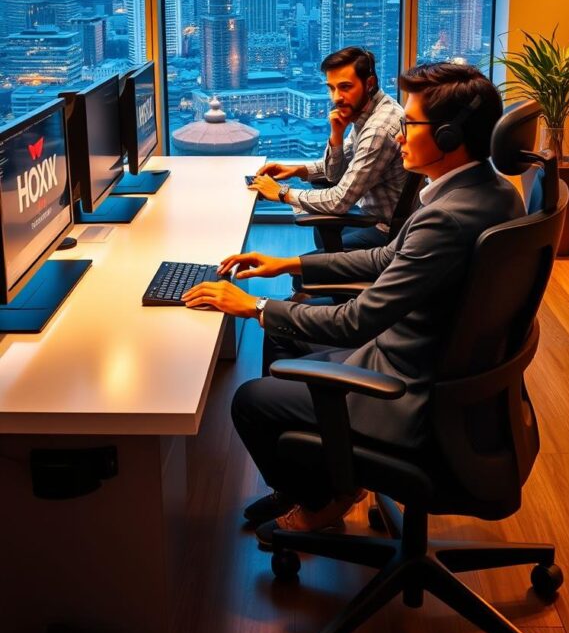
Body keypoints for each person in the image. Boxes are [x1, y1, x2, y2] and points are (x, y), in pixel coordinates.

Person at [182, 63, 525, 545]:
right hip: (446, 369)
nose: (400, 135)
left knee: (251, 401)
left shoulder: (447, 217)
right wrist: (289, 265)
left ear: (448, 136)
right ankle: (321, 475)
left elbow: (356, 320)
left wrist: (254, 306)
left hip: (411, 390)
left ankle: (325, 498)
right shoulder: (490, 193)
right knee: (288, 337)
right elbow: (388, 255)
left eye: (411, 125)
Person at [248, 46, 405, 250]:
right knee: (322, 232)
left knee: (305, 271)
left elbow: (339, 200)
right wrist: (299, 169)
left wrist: (281, 193)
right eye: (331, 88)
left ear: (369, 84)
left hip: (384, 231)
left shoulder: (378, 128)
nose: (336, 97)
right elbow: (334, 173)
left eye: (345, 87)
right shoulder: (371, 110)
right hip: (370, 217)